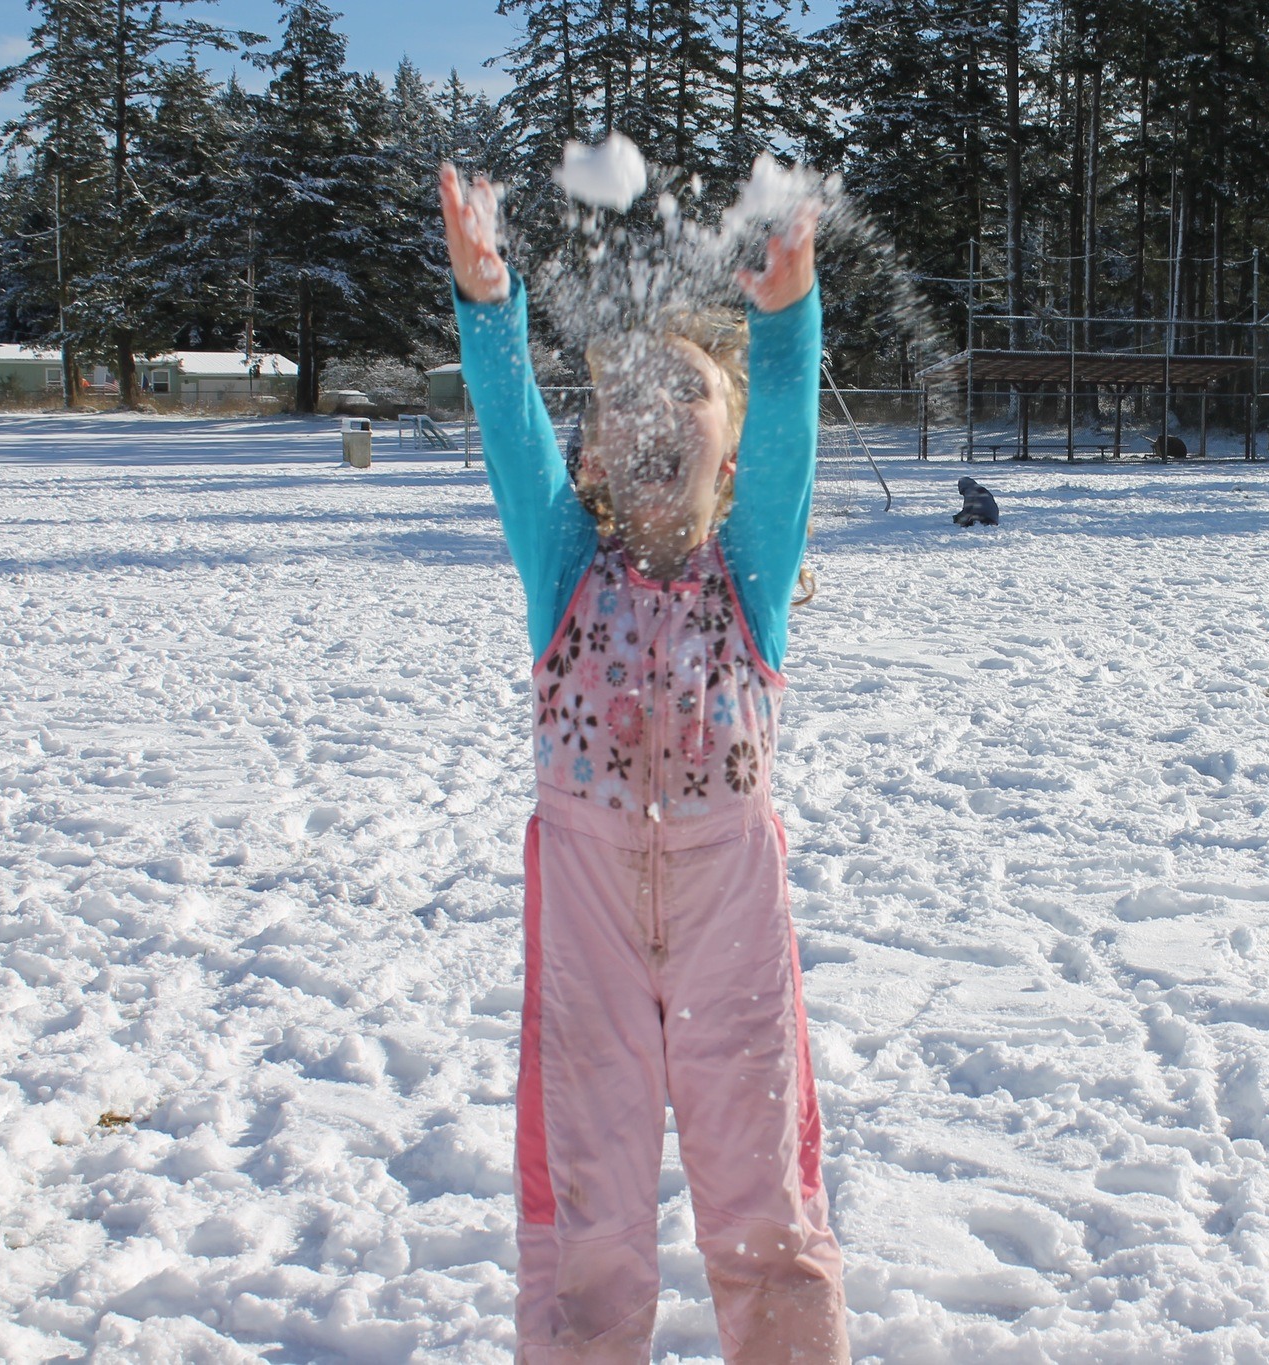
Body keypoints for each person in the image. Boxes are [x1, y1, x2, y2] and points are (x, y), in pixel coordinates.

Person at [439, 164, 847, 1363]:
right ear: (597, 454)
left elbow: (790, 443)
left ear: (726, 457)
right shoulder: (565, 568)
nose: (655, 411)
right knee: (586, 1206)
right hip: (589, 935)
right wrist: (488, 302)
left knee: (760, 1194)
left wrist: (782, 322)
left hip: (731, 926)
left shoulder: (751, 575)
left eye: (688, 394)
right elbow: (513, 434)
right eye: (627, 397)